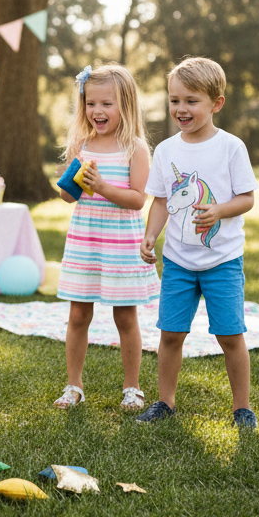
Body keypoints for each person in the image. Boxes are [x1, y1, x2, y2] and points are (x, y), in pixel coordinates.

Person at [138, 56, 257, 427]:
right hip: (178, 260)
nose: (181, 109)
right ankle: (164, 403)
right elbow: (160, 199)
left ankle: (242, 408)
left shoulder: (231, 147)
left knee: (230, 335)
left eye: (192, 101)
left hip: (222, 261)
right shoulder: (166, 151)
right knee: (170, 333)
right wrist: (150, 235)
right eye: (175, 100)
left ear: (216, 103)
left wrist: (219, 210)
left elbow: (247, 198)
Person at [54, 64, 159, 411]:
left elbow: (138, 199)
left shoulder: (135, 148)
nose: (97, 111)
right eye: (90, 103)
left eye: (106, 104)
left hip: (120, 243)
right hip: (86, 241)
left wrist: (103, 187)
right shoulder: (81, 144)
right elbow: (71, 196)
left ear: (125, 105)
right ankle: (74, 386)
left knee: (125, 317)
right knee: (78, 316)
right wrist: (69, 184)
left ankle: (132, 387)